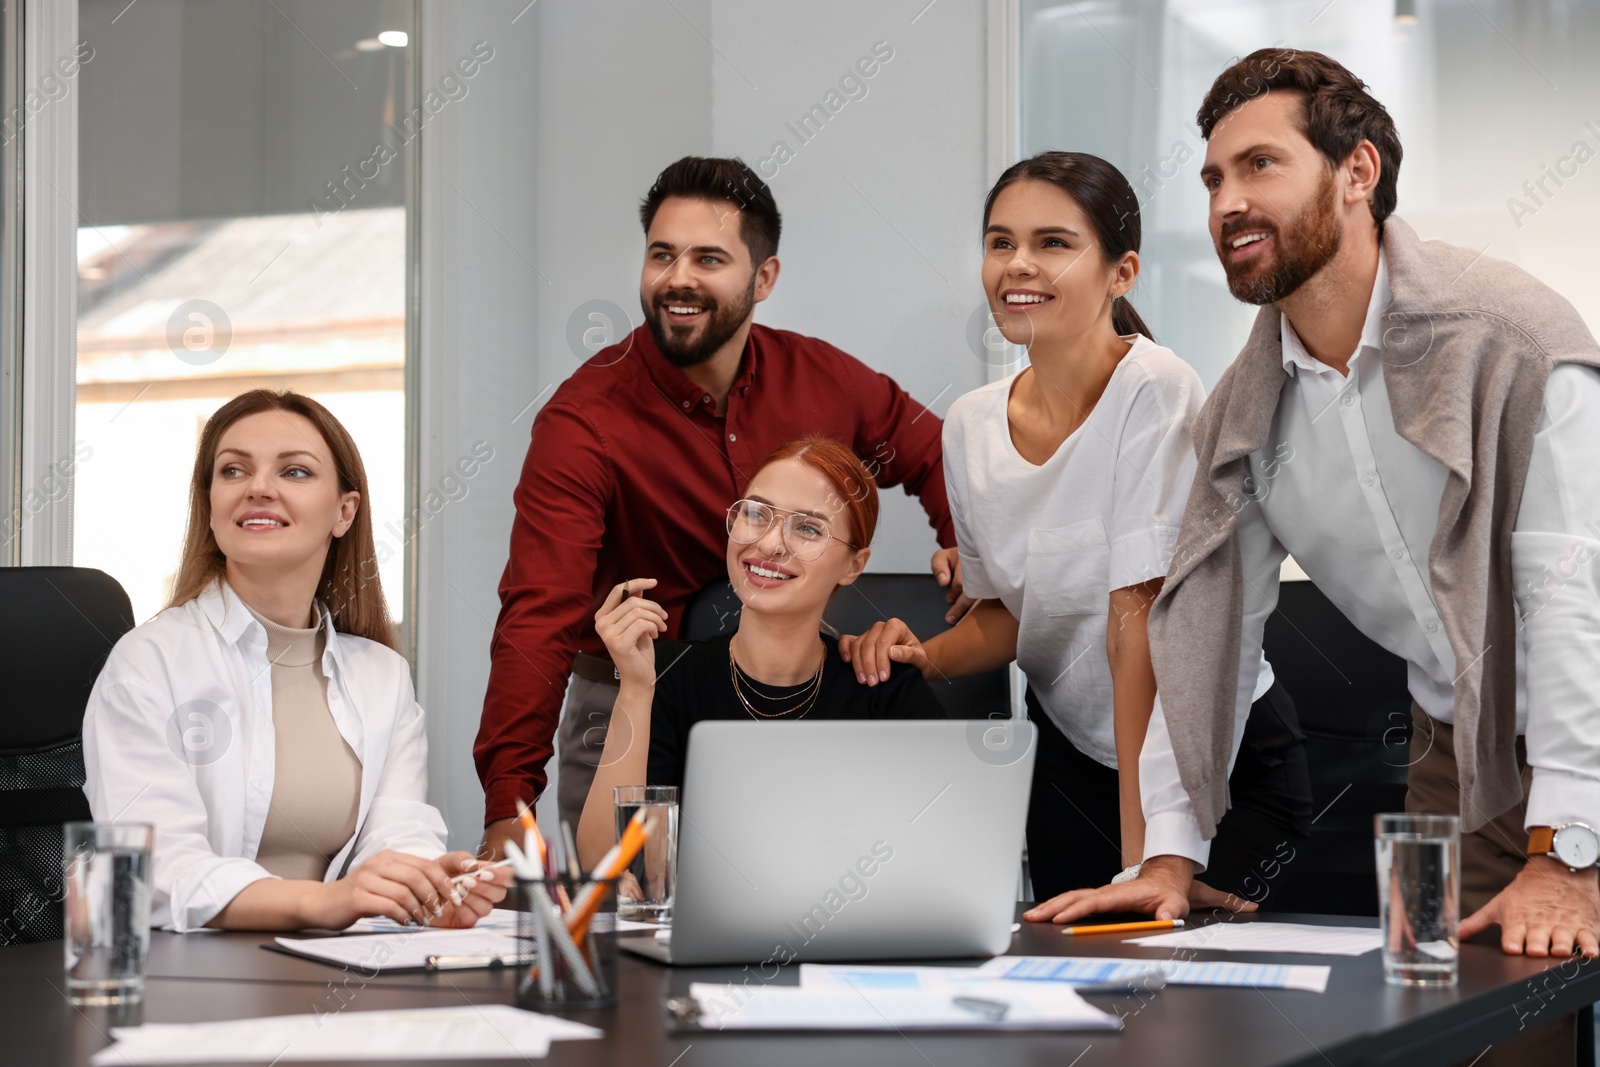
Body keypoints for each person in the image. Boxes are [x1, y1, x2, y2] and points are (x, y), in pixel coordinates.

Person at [1035, 50, 1600, 1064]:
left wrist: (1569, 849)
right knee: (1471, 1039)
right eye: (1212, 178)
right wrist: (1169, 850)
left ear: (1357, 171)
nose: (1226, 201)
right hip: (1461, 758)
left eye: (1259, 165)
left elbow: (1571, 601)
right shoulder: (1242, 418)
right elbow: (1201, 627)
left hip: (1587, 713)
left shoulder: (1511, 336)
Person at [842, 152, 1310, 904]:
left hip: (1208, 760)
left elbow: (1138, 627)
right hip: (1070, 760)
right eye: (1001, 242)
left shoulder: (1154, 386)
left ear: (1121, 272)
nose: (1017, 264)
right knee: (1075, 1002)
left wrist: (1147, 864)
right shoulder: (969, 426)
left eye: (1053, 243)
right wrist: (920, 656)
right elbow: (1006, 616)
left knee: (1200, 1006)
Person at [477, 156, 964, 858]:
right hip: (633, 698)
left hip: (798, 690)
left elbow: (935, 453)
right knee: (631, 913)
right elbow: (538, 612)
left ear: (764, 278)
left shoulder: (822, 378)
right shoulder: (584, 420)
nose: (679, 278)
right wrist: (509, 806)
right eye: (662, 255)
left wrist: (965, 549)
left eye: (708, 257)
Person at [83, 390, 508, 933]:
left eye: (295, 472)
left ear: (344, 512)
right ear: (210, 507)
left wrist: (425, 886)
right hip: (193, 985)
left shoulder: (382, 675)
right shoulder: (149, 663)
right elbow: (157, 871)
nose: (259, 488)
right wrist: (328, 901)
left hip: (336, 973)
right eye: (233, 470)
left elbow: (399, 836)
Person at [574, 437, 946, 867]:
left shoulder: (886, 686)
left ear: (853, 565)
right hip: (702, 932)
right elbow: (605, 865)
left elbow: (941, 857)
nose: (770, 545)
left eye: (808, 527)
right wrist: (637, 689)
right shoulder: (666, 676)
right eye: (756, 514)